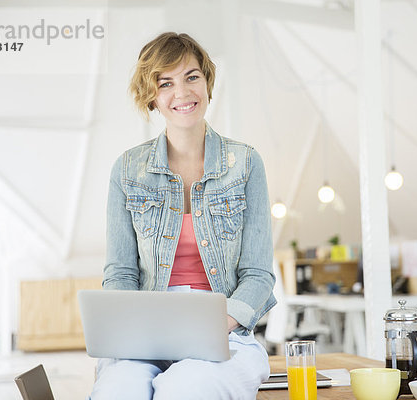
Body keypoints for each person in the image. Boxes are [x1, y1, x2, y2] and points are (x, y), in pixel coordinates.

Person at [89, 32, 277, 400]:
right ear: (152, 96)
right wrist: (131, 333)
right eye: (166, 82)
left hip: (226, 333)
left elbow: (258, 274)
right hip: (144, 334)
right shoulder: (127, 169)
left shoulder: (246, 163)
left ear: (207, 82)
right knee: (118, 390)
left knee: (186, 387)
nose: (183, 92)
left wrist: (215, 326)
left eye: (192, 76)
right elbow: (121, 274)